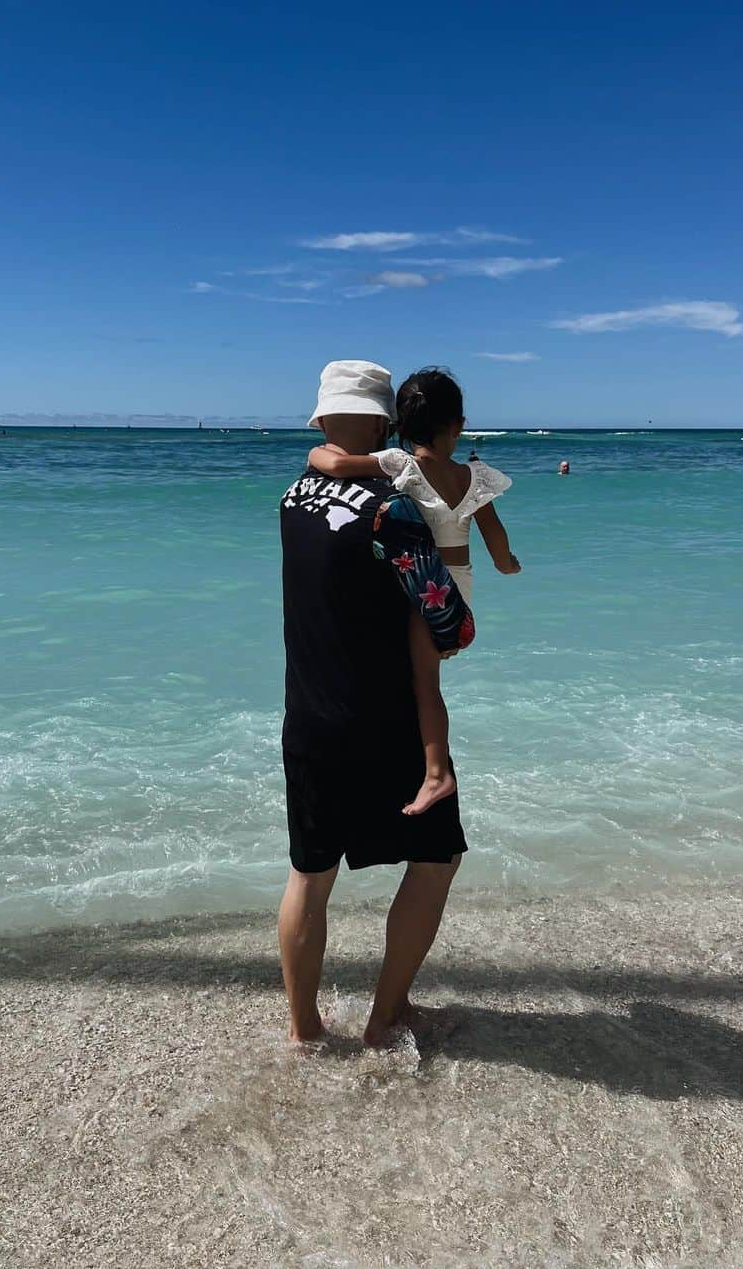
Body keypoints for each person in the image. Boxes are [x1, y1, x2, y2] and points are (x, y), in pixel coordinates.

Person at [279, 360, 475, 1047]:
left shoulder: (294, 495)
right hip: (382, 720)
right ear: (384, 420)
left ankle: (305, 1032)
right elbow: (450, 624)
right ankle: (385, 1015)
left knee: (310, 875)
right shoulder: (392, 512)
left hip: (305, 716)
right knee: (436, 858)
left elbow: (327, 466)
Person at [307, 368, 519, 816]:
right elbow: (495, 537)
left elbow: (335, 465)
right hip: (456, 584)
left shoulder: (401, 464)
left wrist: (317, 447)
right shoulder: (473, 475)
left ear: (398, 427)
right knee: (426, 675)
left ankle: (437, 774)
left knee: (425, 684)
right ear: (458, 425)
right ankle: (430, 762)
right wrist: (508, 564)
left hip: (422, 582)